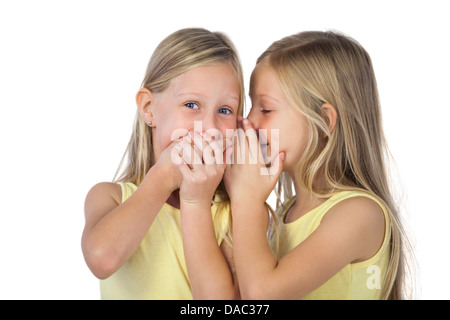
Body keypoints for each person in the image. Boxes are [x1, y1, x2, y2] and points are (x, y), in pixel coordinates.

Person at [224, 31, 412, 299]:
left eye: (265, 109)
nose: (247, 121)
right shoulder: (284, 213)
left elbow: (262, 295)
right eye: (251, 106)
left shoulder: (360, 214)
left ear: (323, 121)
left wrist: (246, 200)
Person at [82, 28, 244, 299]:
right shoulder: (110, 197)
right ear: (148, 108)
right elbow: (102, 259)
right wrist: (163, 176)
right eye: (191, 105)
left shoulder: (236, 214)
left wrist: (197, 202)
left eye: (224, 111)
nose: (209, 127)